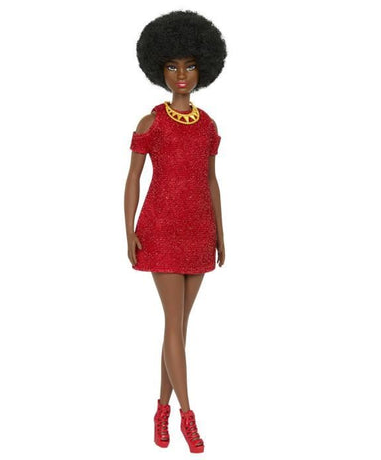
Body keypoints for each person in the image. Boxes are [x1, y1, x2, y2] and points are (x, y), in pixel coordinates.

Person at [124, 10, 226, 454]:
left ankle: (160, 411)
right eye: (171, 66)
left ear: (203, 69)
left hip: (199, 230)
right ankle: (188, 415)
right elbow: (133, 178)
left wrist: (221, 231)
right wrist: (128, 230)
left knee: (179, 328)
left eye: (190, 66)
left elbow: (211, 181)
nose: (181, 75)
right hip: (161, 231)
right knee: (173, 323)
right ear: (158, 69)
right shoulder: (151, 123)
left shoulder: (208, 126)